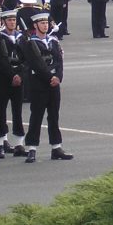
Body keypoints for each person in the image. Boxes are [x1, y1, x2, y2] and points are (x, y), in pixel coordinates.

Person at [22, 13, 73, 163]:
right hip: (39, 83)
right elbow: (36, 64)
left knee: (54, 116)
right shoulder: (31, 43)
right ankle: (32, 148)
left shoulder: (53, 41)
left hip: (54, 84)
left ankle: (56, 147)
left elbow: (59, 61)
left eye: (46, 23)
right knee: (36, 116)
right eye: (42, 23)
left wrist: (58, 77)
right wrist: (50, 78)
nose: (45, 25)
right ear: (35, 26)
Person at [0, 10, 27, 158]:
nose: (12, 22)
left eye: (13, 20)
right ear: (4, 22)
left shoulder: (21, 38)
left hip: (18, 80)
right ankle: (0, 144)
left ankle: (19, 143)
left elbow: (26, 59)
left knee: (17, 112)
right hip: (3, 80)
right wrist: (13, 75)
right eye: (9, 20)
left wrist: (20, 75)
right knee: (0, 112)